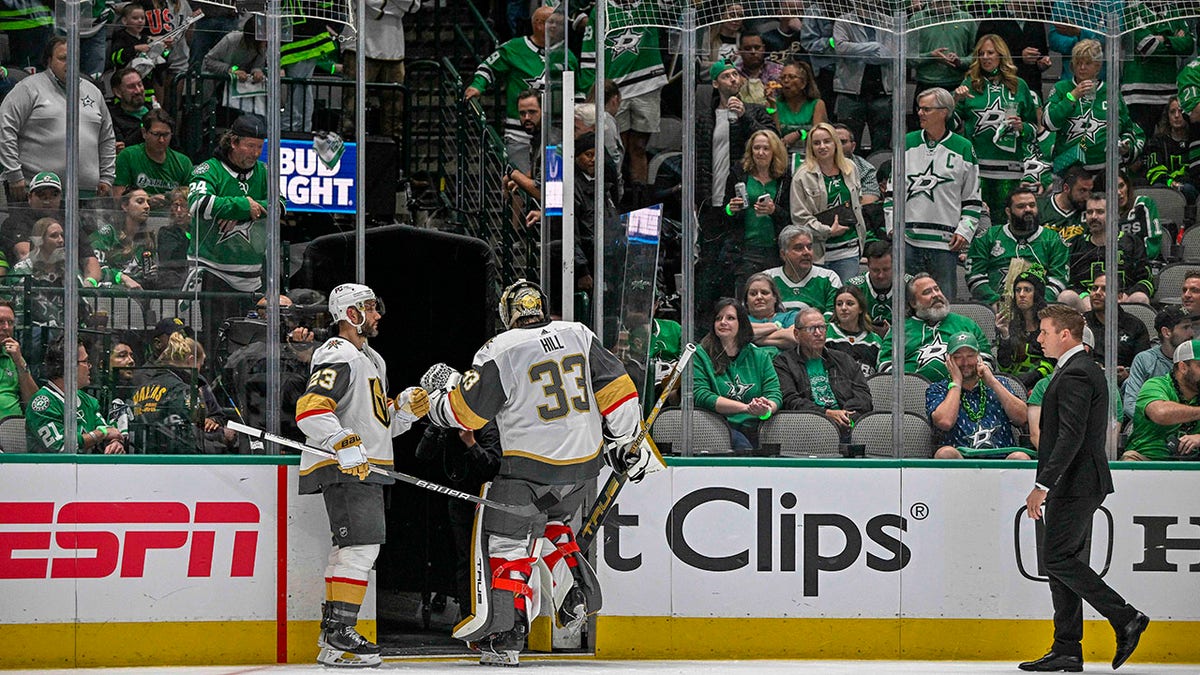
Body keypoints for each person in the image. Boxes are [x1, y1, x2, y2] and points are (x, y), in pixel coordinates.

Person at [422, 280, 652, 666]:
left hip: (527, 471)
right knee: (551, 525)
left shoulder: (500, 349)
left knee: (506, 549)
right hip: (580, 471)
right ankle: (571, 587)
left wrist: (433, 407)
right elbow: (619, 389)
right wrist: (627, 440)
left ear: (508, 313)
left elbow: (467, 414)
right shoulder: (578, 333)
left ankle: (507, 634)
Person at [294, 283, 428, 668]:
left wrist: (404, 412)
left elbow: (377, 428)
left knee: (350, 550)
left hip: (366, 465)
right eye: (370, 308)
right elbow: (310, 409)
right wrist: (339, 440)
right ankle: (341, 631)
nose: (378, 315)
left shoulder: (372, 360)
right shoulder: (338, 353)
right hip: (348, 467)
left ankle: (334, 638)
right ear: (351, 315)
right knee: (361, 549)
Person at [1021, 303, 1148, 673]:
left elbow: (1070, 436)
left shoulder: (1077, 373)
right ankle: (1066, 649)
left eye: (1044, 331)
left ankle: (1125, 617)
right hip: (1076, 481)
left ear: (1065, 334)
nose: (1039, 337)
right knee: (1064, 562)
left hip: (1076, 482)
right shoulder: (1077, 370)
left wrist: (1042, 485)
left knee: (1057, 559)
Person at [186, 114, 281, 351]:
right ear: (233, 142)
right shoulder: (209, 169)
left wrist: (241, 210)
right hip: (211, 272)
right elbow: (197, 203)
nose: (256, 153)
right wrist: (243, 205)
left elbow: (279, 207)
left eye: (260, 147)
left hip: (251, 277)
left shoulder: (265, 172)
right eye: (250, 146)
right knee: (212, 343)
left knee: (245, 346)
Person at [885, 87, 982, 299]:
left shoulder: (963, 147)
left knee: (944, 302)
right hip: (908, 240)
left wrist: (964, 231)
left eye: (927, 109)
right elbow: (892, 193)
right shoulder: (906, 142)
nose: (920, 113)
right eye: (919, 109)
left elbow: (973, 200)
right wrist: (893, 228)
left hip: (945, 243)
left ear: (944, 112)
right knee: (906, 305)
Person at [0, 36, 116, 201]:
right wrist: (13, 174)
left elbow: (107, 139)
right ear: (49, 61)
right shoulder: (28, 88)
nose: (69, 63)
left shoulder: (94, 92)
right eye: (62, 58)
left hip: (86, 195)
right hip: (36, 192)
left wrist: (107, 177)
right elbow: (4, 128)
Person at [466, 7, 570, 175]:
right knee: (518, 180)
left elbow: (576, 89)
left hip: (553, 129)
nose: (557, 27)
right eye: (553, 23)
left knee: (551, 181)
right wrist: (477, 86)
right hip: (519, 129)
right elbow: (488, 67)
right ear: (538, 24)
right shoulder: (514, 48)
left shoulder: (565, 55)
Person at [952, 34, 1040, 218]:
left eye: (990, 52)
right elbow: (951, 125)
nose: (985, 57)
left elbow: (1034, 129)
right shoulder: (969, 84)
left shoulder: (1019, 85)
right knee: (977, 220)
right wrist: (955, 100)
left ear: (1001, 55)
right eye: (981, 53)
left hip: (1010, 169)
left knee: (1005, 222)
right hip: (977, 168)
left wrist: (1021, 127)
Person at [579, 3, 664, 188]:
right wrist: (589, 90)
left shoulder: (651, 4)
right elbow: (589, 50)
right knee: (616, 148)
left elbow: (678, 8)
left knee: (639, 147)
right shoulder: (600, 8)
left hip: (647, 84)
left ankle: (639, 199)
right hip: (614, 89)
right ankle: (614, 195)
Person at [1043, 40, 1144, 175]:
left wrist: (1126, 147)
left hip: (1106, 170)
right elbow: (1049, 123)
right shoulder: (1062, 88)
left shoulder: (1111, 91)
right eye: (1078, 63)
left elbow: (1127, 127)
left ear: (1098, 66)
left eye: (1087, 63)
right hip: (1069, 170)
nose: (1082, 67)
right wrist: (1072, 97)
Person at [693, 298, 781, 451]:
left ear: (742, 324)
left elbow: (774, 395)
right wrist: (746, 408)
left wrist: (765, 409)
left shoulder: (760, 356)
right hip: (717, 426)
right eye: (718, 318)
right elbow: (701, 395)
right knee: (743, 447)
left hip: (759, 426)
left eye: (730, 318)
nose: (723, 322)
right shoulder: (700, 355)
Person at [774, 307, 872, 440]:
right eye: (811, 329)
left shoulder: (844, 359)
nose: (818, 333)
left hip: (847, 425)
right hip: (807, 428)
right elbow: (790, 400)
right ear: (797, 334)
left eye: (822, 327)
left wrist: (844, 416)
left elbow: (863, 396)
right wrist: (826, 414)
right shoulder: (784, 363)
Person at [927, 332, 1029, 460]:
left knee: (1020, 457)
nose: (965, 362)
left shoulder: (999, 383)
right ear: (948, 360)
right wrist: (956, 383)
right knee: (945, 453)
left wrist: (992, 382)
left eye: (970, 356)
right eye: (958, 357)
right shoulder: (938, 389)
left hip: (1002, 461)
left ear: (979, 358)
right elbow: (945, 422)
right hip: (961, 462)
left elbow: (1023, 418)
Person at [130, 333, 236, 454]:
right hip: (180, 460)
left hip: (145, 458)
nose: (200, 370)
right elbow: (192, 434)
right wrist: (224, 434)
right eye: (200, 364)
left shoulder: (142, 388)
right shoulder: (184, 390)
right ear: (191, 361)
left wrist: (211, 420)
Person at [878, 273, 994, 383]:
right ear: (913, 303)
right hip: (914, 398)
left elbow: (987, 360)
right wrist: (910, 387)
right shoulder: (899, 330)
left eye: (937, 289)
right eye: (927, 292)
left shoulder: (966, 324)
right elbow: (885, 365)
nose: (935, 295)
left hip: (964, 392)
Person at [967, 186, 1070, 307]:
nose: (1028, 210)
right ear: (1008, 212)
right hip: (996, 305)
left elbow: (1059, 279)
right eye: (1021, 206)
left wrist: (1037, 302)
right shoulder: (988, 237)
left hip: (1041, 305)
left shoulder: (1054, 239)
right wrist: (995, 301)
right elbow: (975, 276)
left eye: (1032, 205)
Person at [790, 122, 866, 283]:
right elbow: (799, 217)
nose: (822, 146)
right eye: (816, 143)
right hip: (818, 253)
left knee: (846, 302)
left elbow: (857, 203)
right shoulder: (802, 176)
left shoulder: (850, 168)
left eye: (827, 141)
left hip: (849, 250)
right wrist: (827, 231)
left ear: (835, 143)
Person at [26, 337, 124, 454]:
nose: (90, 366)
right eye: (85, 361)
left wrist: (114, 443)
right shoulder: (42, 404)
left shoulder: (88, 400)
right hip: (51, 471)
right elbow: (62, 447)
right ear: (69, 366)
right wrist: (101, 434)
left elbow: (107, 430)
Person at [1062, 194, 1154, 309]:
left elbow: (1146, 280)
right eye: (1090, 212)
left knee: (1140, 298)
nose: (1093, 217)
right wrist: (1085, 296)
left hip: (1124, 303)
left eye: (1100, 212)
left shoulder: (1131, 242)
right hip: (1087, 305)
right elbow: (1070, 281)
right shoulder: (1077, 244)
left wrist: (1126, 295)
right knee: (1066, 297)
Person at [723, 129, 792, 283]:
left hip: (774, 249)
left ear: (774, 151)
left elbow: (790, 216)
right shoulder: (738, 174)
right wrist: (730, 209)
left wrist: (774, 210)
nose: (760, 153)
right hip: (745, 248)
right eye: (756, 148)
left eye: (766, 149)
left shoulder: (784, 178)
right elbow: (724, 211)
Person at [340, 0, 415, 139]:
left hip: (394, 49)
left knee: (394, 112)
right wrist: (398, 9)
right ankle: (348, 151)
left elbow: (413, 4)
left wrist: (386, 7)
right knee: (352, 109)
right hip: (358, 45)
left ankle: (393, 155)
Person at [1119, 7, 1194, 140]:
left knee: (1170, 146)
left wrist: (1163, 39)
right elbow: (1148, 46)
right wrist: (1173, 40)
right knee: (1139, 147)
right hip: (1138, 94)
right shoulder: (1132, 10)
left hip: (1169, 94)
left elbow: (1189, 46)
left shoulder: (1174, 11)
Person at [1123, 338, 1200, 462]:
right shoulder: (1155, 385)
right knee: (1130, 459)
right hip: (1148, 458)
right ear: (1183, 367)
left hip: (1193, 463)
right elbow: (1161, 413)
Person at [831, 5, 894, 153]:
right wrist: (874, 46)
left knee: (882, 145)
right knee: (847, 145)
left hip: (882, 93)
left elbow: (891, 54)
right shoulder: (843, 21)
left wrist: (858, 53)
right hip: (851, 93)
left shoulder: (891, 22)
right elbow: (840, 47)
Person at [1123, 306, 1195, 421]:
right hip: (1154, 425)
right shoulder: (1145, 360)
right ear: (1166, 332)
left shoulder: (1196, 360)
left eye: (1191, 327)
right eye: (1185, 327)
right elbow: (1131, 404)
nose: (1192, 333)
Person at [113, 109, 194, 209]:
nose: (161, 140)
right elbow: (118, 198)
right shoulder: (128, 156)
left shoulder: (183, 162)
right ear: (144, 133)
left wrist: (168, 200)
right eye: (156, 134)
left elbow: (190, 198)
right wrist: (147, 200)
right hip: (137, 219)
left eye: (166, 135)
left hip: (171, 219)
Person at [1081, 273, 1151, 390]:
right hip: (1087, 380)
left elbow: (1144, 363)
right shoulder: (1080, 322)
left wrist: (1127, 373)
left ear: (1119, 297)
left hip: (1123, 384)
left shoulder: (1134, 325)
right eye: (1094, 288)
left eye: (1105, 289)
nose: (1097, 293)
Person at [994, 265, 1054, 388]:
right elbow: (1004, 367)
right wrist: (1005, 335)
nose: (1021, 294)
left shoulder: (1049, 324)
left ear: (1037, 294)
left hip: (1042, 385)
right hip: (1011, 385)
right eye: (1018, 290)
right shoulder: (1007, 323)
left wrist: (1025, 381)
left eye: (1027, 290)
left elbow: (1050, 364)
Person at [761, 225, 842, 315]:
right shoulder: (767, 279)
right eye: (799, 248)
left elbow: (832, 317)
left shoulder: (829, 278)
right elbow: (758, 316)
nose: (806, 252)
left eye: (809, 247)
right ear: (783, 254)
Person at [90, 188, 153, 290]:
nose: (147, 206)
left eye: (148, 202)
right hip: (107, 296)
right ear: (124, 206)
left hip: (136, 298)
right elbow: (94, 268)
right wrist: (122, 277)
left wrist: (152, 276)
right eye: (140, 202)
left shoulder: (147, 240)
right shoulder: (108, 233)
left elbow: (145, 279)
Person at [1143, 97, 1199, 204]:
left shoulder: (1195, 141)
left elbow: (1196, 173)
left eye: (1180, 111)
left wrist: (1181, 184)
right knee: (1158, 189)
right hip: (1166, 185)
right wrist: (1170, 182)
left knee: (1188, 189)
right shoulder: (1157, 142)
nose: (1177, 116)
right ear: (1167, 116)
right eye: (1172, 112)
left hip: (1190, 187)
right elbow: (1154, 171)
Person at [845, 240, 910, 332]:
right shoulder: (853, 288)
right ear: (868, 265)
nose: (881, 275)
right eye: (875, 270)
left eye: (886, 269)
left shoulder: (910, 284)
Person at [772, 61, 827, 157]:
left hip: (810, 155)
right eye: (782, 77)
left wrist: (801, 134)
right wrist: (772, 106)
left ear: (803, 83)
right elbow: (775, 135)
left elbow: (819, 136)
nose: (786, 81)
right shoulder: (774, 104)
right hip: (781, 154)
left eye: (791, 77)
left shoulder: (817, 104)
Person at [825, 285, 883, 377]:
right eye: (839, 304)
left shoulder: (874, 340)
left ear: (860, 308)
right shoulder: (826, 333)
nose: (843, 308)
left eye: (850, 303)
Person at [743, 272, 798, 358]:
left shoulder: (790, 316)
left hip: (784, 368)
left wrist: (752, 339)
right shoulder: (739, 319)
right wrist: (774, 327)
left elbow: (794, 338)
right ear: (746, 300)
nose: (759, 297)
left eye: (764, 293)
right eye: (753, 294)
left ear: (775, 297)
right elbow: (736, 335)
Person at [1115, 169, 1163, 262]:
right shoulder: (1102, 214)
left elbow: (1153, 246)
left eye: (1121, 186)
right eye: (1112, 188)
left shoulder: (1143, 204)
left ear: (1128, 186)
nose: (1118, 193)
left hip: (1141, 263)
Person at [1037, 164, 1093, 242]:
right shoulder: (1040, 207)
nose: (1087, 197)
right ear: (1066, 188)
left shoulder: (1091, 210)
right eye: (1082, 191)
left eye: (1089, 191)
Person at [0, 300, 36, 418]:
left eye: (10, 322)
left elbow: (34, 404)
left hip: (13, 429)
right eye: (0, 322)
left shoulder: (14, 356)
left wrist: (19, 362)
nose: (6, 327)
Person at [108, 68, 151, 152]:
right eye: (131, 87)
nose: (138, 91)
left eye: (140, 84)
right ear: (118, 92)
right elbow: (122, 148)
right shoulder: (111, 118)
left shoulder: (155, 111)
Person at [735, 31, 783, 106]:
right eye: (747, 48)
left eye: (757, 47)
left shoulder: (779, 70)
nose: (753, 52)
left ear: (763, 48)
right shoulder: (734, 73)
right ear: (740, 50)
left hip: (774, 113)